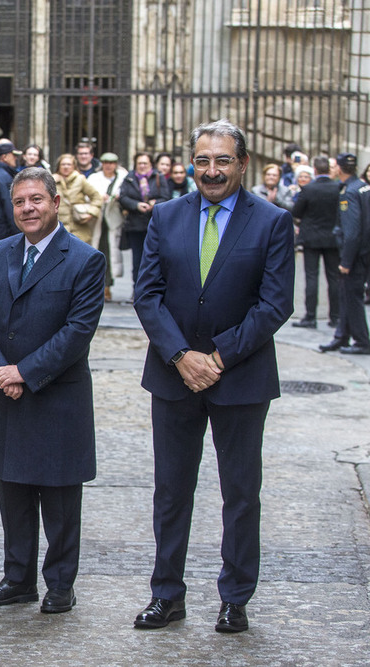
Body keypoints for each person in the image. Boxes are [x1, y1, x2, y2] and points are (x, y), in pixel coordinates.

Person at [132, 120, 294, 633]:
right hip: (173, 376)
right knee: (171, 491)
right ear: (191, 165)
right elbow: (147, 294)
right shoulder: (165, 216)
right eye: (203, 160)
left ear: (242, 164)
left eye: (222, 160)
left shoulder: (270, 222)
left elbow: (275, 304)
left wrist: (218, 358)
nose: (212, 170)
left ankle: (235, 598)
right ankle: (167, 595)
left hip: (240, 380)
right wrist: (181, 355)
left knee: (241, 492)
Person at [0, 167, 106, 612]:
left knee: (61, 495)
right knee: (13, 491)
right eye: (20, 202)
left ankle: (61, 583)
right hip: (6, 392)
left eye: (36, 200)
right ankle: (17, 579)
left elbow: (77, 331)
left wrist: (23, 372)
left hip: (56, 394)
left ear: (55, 203)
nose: (28, 209)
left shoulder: (85, 259)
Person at [320, 153, 370, 354]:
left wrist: (346, 261)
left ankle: (361, 341)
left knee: (352, 296)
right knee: (346, 295)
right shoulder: (363, 187)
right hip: (363, 252)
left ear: (339, 169)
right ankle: (341, 336)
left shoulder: (350, 192)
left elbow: (352, 231)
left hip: (354, 255)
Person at [292, 156, 341, 329]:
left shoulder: (308, 189)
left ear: (315, 169)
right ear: (329, 169)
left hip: (312, 238)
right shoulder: (338, 188)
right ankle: (335, 317)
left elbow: (297, 211)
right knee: (333, 278)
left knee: (311, 277)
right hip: (332, 238)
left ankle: (310, 317)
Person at [119, 152, 171, 280]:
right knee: (137, 259)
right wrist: (136, 205)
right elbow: (123, 197)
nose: (142, 166)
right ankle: (136, 289)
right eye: (139, 163)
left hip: (154, 223)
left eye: (145, 163)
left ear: (150, 164)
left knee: (154, 258)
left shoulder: (158, 177)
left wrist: (155, 203)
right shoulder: (129, 178)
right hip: (135, 225)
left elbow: (166, 197)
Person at [88, 152, 128, 297]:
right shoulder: (94, 178)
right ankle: (96, 285)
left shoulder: (123, 177)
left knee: (111, 253)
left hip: (114, 219)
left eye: (111, 163)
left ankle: (107, 285)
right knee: (97, 251)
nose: (108, 166)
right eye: (106, 163)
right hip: (97, 220)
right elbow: (89, 195)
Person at [53, 153, 103, 245]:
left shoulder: (80, 179)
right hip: (58, 228)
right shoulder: (52, 181)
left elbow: (96, 197)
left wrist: (91, 213)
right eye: (63, 164)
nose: (66, 167)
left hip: (79, 229)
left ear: (74, 166)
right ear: (59, 166)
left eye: (69, 164)